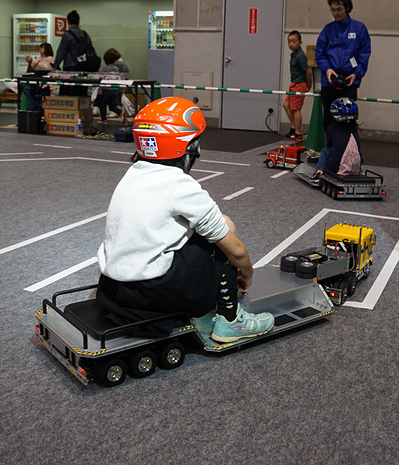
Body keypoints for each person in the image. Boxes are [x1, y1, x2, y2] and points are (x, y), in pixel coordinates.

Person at [95, 96, 274, 342]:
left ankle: (202, 311)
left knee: (217, 226)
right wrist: (247, 274)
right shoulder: (179, 185)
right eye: (196, 142)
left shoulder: (133, 174)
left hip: (114, 288)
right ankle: (231, 321)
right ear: (187, 146)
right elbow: (238, 252)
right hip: (152, 289)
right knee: (221, 242)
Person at [315, 0, 371, 131]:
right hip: (329, 80)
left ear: (347, 8)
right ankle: (331, 149)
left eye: (339, 9)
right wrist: (327, 70)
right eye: (333, 10)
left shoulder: (359, 28)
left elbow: (364, 54)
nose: (336, 13)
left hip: (350, 80)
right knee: (328, 119)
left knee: (347, 120)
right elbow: (320, 54)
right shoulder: (327, 30)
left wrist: (356, 74)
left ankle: (347, 149)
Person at [310, 97, 362, 183]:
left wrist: (327, 169)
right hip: (355, 167)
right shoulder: (354, 130)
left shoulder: (331, 129)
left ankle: (318, 172)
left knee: (325, 151)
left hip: (335, 166)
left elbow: (331, 148)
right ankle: (360, 172)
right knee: (353, 153)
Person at [54, 10, 95, 97]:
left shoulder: (67, 35)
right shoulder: (85, 35)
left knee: (69, 95)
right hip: (84, 68)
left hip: (70, 68)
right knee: (81, 93)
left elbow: (61, 51)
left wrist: (55, 66)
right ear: (79, 21)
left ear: (67, 21)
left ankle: (69, 110)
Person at [283, 31, 312, 141]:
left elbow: (308, 71)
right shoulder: (294, 54)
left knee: (296, 109)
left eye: (293, 42)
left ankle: (298, 132)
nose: (291, 44)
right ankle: (293, 127)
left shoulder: (300, 56)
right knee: (286, 105)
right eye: (289, 42)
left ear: (300, 42)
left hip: (300, 84)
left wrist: (308, 85)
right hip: (294, 84)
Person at [94, 48, 124, 124]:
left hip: (105, 90)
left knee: (103, 106)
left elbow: (99, 79)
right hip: (114, 90)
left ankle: (103, 119)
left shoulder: (103, 69)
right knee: (113, 106)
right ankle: (120, 112)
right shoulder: (116, 69)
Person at [23, 42, 54, 112]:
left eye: (42, 47)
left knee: (38, 96)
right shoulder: (38, 58)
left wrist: (33, 61)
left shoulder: (49, 58)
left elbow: (44, 67)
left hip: (44, 80)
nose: (40, 49)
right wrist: (29, 61)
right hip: (35, 78)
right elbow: (33, 66)